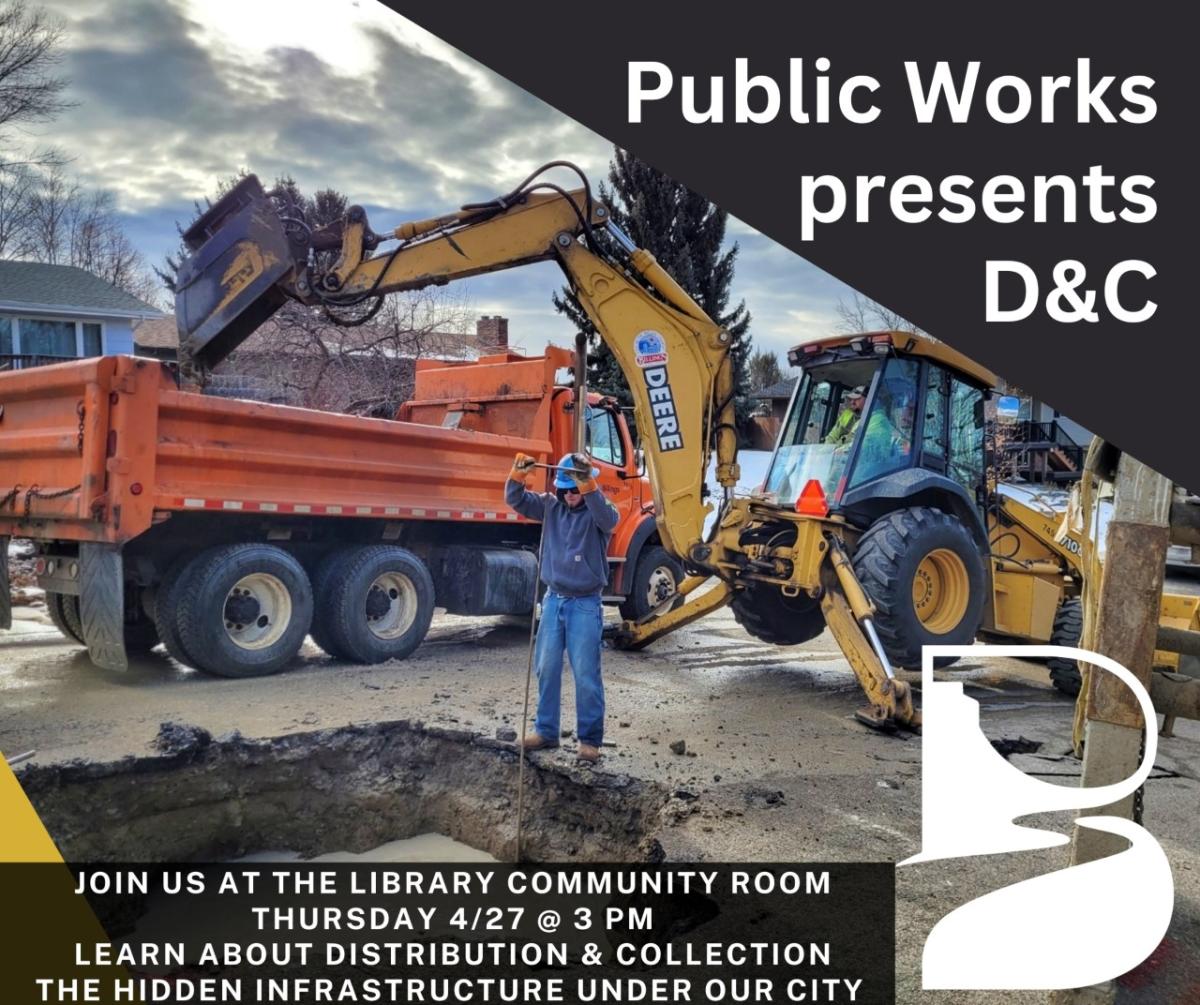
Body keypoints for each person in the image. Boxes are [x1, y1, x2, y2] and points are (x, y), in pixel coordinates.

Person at [506, 450, 619, 764]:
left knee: (585, 674)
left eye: (575, 489)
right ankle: (546, 730)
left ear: (585, 486)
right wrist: (517, 476)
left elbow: (610, 518)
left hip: (584, 604)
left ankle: (589, 740)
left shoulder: (598, 513)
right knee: (546, 667)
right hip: (554, 600)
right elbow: (515, 500)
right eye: (564, 490)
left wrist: (588, 487)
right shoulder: (551, 507)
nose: (569, 496)